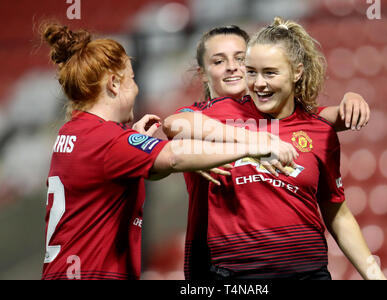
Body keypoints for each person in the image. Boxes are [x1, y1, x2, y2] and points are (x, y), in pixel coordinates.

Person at [39, 23, 297, 280]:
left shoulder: (72, 133)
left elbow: (149, 170)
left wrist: (135, 142)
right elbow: (174, 156)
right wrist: (256, 145)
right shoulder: (108, 140)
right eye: (132, 79)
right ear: (114, 84)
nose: (137, 87)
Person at [164, 18, 385, 279]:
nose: (258, 83)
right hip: (237, 274)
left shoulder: (318, 129)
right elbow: (175, 124)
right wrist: (254, 142)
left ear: (297, 72)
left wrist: (374, 275)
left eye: (269, 73)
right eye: (252, 72)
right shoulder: (224, 113)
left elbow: (337, 212)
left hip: (309, 272)